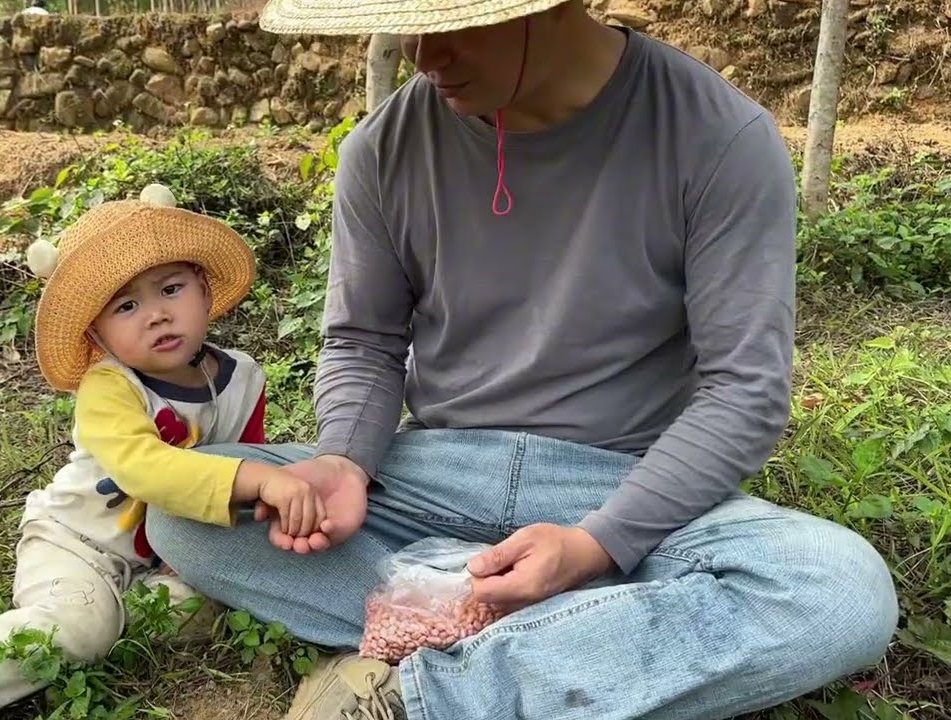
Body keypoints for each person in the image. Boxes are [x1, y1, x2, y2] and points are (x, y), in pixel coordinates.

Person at [144, 0, 901, 718]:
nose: (425, 54)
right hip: (437, 474)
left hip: (624, 485)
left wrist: (599, 544)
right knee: (187, 510)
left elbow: (744, 392)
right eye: (413, 23)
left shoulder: (716, 138)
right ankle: (579, 634)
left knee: (839, 592)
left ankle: (425, 690)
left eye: (460, 23)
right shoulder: (384, 149)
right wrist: (343, 461)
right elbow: (365, 341)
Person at [0, 183, 327, 720]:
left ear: (203, 288)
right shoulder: (110, 387)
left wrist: (263, 503)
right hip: (79, 543)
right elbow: (146, 468)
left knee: (188, 615)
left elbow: (249, 459)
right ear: (98, 335)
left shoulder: (243, 376)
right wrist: (263, 480)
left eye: (170, 289)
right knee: (78, 626)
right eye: (126, 306)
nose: (155, 314)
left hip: (166, 557)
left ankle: (129, 613)